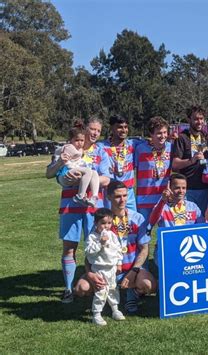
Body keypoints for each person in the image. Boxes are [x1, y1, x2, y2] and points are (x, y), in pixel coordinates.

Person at [46, 117, 111, 303]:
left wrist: (91, 178)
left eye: (98, 130)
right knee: (69, 248)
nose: (95, 133)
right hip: (69, 206)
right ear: (85, 130)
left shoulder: (101, 153)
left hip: (93, 207)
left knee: (96, 248)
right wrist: (64, 171)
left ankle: (99, 287)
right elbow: (49, 174)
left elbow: (107, 179)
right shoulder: (67, 148)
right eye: (92, 129)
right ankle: (68, 289)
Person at [75, 180, 157, 314]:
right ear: (108, 197)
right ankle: (103, 295)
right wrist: (90, 273)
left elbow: (144, 249)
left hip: (131, 269)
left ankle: (133, 293)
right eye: (118, 196)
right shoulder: (102, 221)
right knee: (81, 288)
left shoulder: (137, 218)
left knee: (149, 286)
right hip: (105, 268)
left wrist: (134, 271)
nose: (122, 200)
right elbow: (89, 253)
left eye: (125, 195)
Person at [85, 208, 125, 326]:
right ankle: (96, 314)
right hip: (99, 268)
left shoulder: (112, 235)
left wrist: (119, 263)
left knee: (113, 289)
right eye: (103, 223)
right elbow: (89, 252)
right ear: (96, 223)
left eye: (109, 223)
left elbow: (118, 249)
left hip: (111, 268)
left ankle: (115, 309)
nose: (106, 226)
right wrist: (100, 243)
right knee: (101, 290)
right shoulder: (92, 237)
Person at [172, 105, 208, 213]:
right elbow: (175, 164)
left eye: (201, 119)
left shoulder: (205, 136)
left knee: (202, 221)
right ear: (189, 119)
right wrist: (191, 160)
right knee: (186, 220)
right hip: (188, 188)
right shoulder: (182, 138)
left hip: (205, 187)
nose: (199, 122)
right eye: (196, 119)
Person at [134, 116, 172, 223]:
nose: (163, 136)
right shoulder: (140, 149)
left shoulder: (171, 148)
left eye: (165, 132)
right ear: (151, 134)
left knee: (166, 233)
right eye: (159, 133)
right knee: (143, 234)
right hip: (145, 198)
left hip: (164, 199)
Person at [100, 115, 141, 211]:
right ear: (111, 128)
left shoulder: (133, 144)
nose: (123, 130)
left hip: (128, 192)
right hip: (110, 192)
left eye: (126, 127)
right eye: (119, 127)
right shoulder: (101, 147)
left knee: (131, 222)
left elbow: (153, 142)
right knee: (111, 222)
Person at [56, 121, 100, 207]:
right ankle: (80, 195)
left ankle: (94, 197)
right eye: (77, 140)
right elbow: (69, 159)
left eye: (82, 140)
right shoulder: (69, 147)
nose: (80, 143)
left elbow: (79, 160)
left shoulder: (79, 149)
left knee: (94, 172)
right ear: (70, 140)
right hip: (65, 173)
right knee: (88, 171)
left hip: (73, 170)